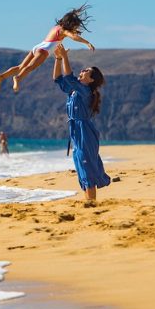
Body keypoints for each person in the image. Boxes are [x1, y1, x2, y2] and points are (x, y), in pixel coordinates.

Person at [0, 4, 95, 93]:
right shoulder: (64, 31)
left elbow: (72, 34)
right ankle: (18, 78)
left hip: (37, 47)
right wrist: (87, 43)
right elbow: (73, 37)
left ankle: (1, 76)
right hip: (43, 51)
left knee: (20, 66)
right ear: (71, 24)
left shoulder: (57, 27)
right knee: (30, 67)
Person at [53, 43, 110, 201]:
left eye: (86, 71)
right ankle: (89, 202)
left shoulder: (85, 91)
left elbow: (69, 77)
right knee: (80, 167)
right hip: (76, 132)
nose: (82, 71)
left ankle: (91, 204)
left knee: (87, 168)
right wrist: (58, 58)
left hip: (85, 133)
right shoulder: (74, 91)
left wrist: (65, 56)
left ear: (91, 80)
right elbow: (58, 79)